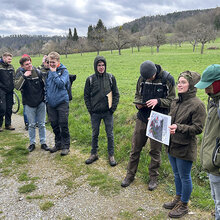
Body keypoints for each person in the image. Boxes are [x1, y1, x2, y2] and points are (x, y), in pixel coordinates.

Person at [121, 60, 175, 190]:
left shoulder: (167, 79)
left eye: (150, 77)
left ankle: (153, 178)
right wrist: (138, 104)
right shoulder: (142, 79)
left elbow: (172, 101)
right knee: (135, 149)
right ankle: (130, 175)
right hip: (143, 117)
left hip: (158, 119)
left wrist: (158, 101)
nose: (147, 79)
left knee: (155, 151)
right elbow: (137, 95)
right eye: (145, 78)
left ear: (155, 72)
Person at [162, 71, 206, 218]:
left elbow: (198, 128)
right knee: (176, 175)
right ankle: (178, 198)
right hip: (172, 144)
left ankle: (184, 205)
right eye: (178, 82)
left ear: (191, 85)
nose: (179, 85)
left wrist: (179, 127)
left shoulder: (197, 105)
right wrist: (158, 121)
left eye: (183, 82)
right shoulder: (175, 101)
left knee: (184, 176)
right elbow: (170, 119)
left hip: (185, 147)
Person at [84, 55, 120, 166]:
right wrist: (91, 110)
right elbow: (86, 96)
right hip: (95, 113)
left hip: (107, 112)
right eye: (99, 65)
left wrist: (112, 109)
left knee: (110, 134)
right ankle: (93, 153)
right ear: (95, 66)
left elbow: (116, 94)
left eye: (103, 65)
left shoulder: (110, 78)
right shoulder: (90, 79)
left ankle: (111, 155)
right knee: (95, 134)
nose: (101, 67)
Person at [195, 64, 220, 220]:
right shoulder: (214, 101)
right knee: (216, 201)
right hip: (213, 163)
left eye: (208, 86)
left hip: (217, 164)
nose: (205, 90)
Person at [14, 56, 49, 152]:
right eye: (27, 64)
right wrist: (25, 76)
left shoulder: (38, 72)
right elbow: (17, 87)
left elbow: (45, 85)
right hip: (29, 103)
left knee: (42, 124)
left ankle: (43, 143)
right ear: (22, 66)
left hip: (41, 102)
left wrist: (44, 99)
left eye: (30, 63)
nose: (29, 65)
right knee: (31, 125)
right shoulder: (20, 73)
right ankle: (32, 143)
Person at [45, 51, 70, 156]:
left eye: (53, 62)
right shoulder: (48, 72)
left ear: (58, 61)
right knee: (54, 124)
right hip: (51, 103)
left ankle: (66, 146)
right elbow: (47, 86)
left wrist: (54, 72)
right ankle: (58, 143)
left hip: (62, 102)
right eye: (50, 62)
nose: (51, 64)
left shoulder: (64, 71)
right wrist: (46, 99)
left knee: (63, 124)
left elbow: (60, 84)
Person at [0, 52, 15, 131]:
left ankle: (8, 124)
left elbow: (13, 78)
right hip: (1, 90)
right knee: (2, 108)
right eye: (9, 59)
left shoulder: (11, 67)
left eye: (11, 59)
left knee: (9, 108)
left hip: (10, 90)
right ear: (4, 58)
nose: (10, 60)